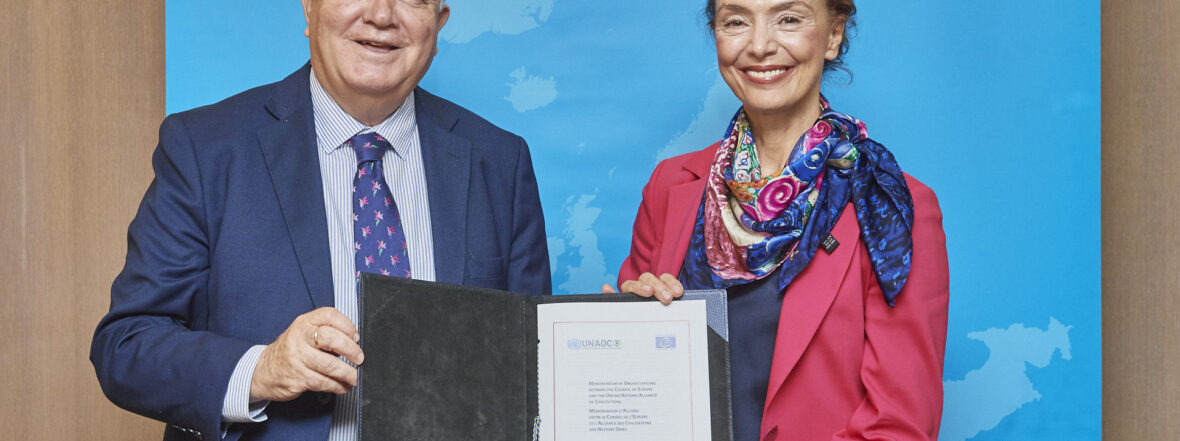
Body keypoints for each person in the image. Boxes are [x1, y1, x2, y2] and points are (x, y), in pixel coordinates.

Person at [90, 1, 551, 440]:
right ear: (309, 8)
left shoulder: (500, 163)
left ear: (438, 23)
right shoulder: (206, 149)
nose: (381, 14)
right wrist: (261, 369)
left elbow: (537, 367)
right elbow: (126, 346)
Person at [603, 0, 949, 440]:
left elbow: (899, 425)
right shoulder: (670, 186)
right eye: (736, 21)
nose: (760, 45)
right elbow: (639, 403)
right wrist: (625, 334)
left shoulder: (891, 205)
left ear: (833, 34)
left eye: (789, 19)